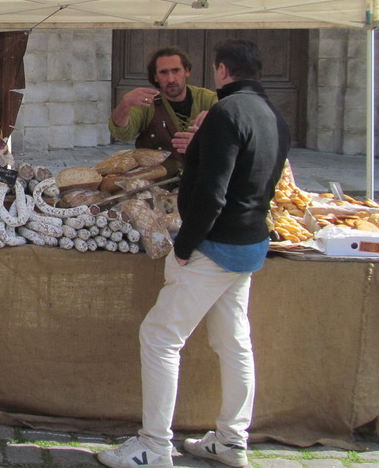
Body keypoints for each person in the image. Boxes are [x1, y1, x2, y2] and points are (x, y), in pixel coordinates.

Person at [98, 39, 291, 468]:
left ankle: (154, 446)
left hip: (216, 246)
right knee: (233, 342)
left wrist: (184, 247)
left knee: (160, 336)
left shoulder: (226, 113)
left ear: (221, 70)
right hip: (250, 242)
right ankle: (231, 441)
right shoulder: (274, 114)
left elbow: (212, 192)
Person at [109, 46, 217, 177]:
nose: (171, 79)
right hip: (158, 184)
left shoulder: (208, 99)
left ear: (187, 71)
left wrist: (216, 120)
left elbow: (232, 133)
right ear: (155, 77)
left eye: (176, 71)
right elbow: (121, 132)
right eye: (163, 72)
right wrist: (124, 105)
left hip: (201, 180)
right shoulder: (147, 102)